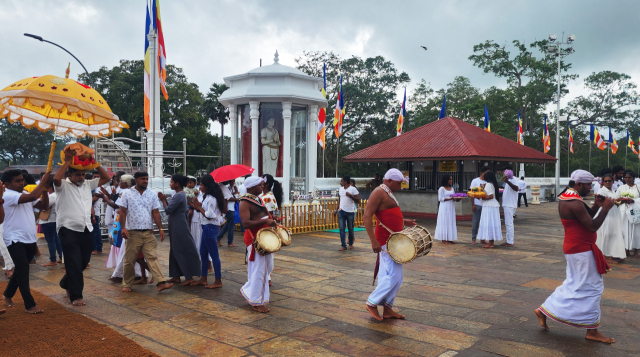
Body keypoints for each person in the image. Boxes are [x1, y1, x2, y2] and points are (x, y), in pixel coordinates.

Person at [535, 169, 616, 344]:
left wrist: (595, 206)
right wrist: (606, 209)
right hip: (580, 249)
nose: (591, 188)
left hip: (577, 247)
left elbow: (586, 218)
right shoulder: (574, 201)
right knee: (593, 287)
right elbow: (592, 226)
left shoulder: (568, 195)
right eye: (588, 185)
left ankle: (544, 310)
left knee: (575, 283)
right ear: (579, 184)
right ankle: (592, 331)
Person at [53, 147, 111, 306]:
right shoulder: (63, 185)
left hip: (87, 228)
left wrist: (93, 163)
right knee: (73, 262)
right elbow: (56, 179)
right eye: (77, 174)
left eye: (82, 174)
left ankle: (66, 282)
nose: (80, 177)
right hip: (67, 229)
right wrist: (67, 162)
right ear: (69, 175)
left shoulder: (87, 184)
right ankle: (76, 296)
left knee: (83, 262)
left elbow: (106, 177)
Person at [363, 169, 416, 321]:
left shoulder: (387, 191)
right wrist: (373, 241)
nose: (400, 187)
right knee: (392, 276)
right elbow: (367, 216)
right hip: (385, 241)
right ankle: (372, 303)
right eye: (398, 184)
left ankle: (387, 309)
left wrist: (404, 222)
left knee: (397, 277)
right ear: (389, 181)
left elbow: (388, 214)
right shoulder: (379, 192)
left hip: (394, 241)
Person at [1, 170, 49, 314]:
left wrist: (45, 189)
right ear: (8, 184)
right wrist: (42, 182)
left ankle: (8, 294)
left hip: (29, 238)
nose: (22, 183)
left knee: (21, 269)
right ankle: (29, 304)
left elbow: (43, 206)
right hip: (14, 238)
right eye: (18, 181)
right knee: (23, 270)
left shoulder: (24, 195)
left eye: (22, 180)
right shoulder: (8, 195)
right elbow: (34, 195)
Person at [118, 171, 173, 293]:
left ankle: (160, 282)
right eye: (143, 179)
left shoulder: (152, 194)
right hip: (132, 232)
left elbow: (156, 212)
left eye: (147, 179)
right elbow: (122, 212)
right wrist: (123, 228)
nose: (145, 181)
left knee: (152, 257)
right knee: (130, 259)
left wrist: (161, 228)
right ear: (136, 180)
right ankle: (126, 284)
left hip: (148, 231)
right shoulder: (127, 193)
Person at [239, 176, 277, 313]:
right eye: (260, 185)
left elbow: (260, 216)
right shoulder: (244, 202)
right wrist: (265, 222)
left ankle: (251, 292)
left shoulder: (257, 199)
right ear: (252, 187)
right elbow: (245, 223)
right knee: (259, 270)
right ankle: (256, 301)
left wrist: (270, 219)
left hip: (264, 238)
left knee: (267, 268)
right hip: (255, 239)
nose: (263, 187)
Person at [158, 175, 202, 286]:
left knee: (180, 248)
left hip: (178, 223)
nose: (170, 184)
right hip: (176, 222)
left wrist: (163, 200)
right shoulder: (180, 195)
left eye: (171, 182)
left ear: (177, 184)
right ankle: (176, 275)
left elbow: (168, 210)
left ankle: (189, 276)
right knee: (174, 248)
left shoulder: (179, 195)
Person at [190, 175, 225, 288]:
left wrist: (199, 208)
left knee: (214, 254)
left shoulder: (211, 198)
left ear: (207, 186)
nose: (200, 187)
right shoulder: (208, 197)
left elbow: (210, 215)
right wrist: (199, 206)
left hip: (210, 227)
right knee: (203, 253)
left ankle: (218, 280)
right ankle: (203, 278)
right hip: (206, 227)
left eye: (201, 185)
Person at [595, 174, 626, 263]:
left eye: (609, 181)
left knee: (614, 234)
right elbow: (604, 202)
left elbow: (615, 201)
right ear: (603, 182)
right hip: (606, 215)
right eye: (606, 181)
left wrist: (621, 201)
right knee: (607, 234)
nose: (608, 182)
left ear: (613, 181)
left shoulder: (612, 190)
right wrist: (617, 200)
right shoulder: (601, 191)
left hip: (614, 214)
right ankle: (606, 256)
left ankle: (614, 253)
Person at [616, 171, 640, 257]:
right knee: (624, 230)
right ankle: (626, 249)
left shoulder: (638, 187)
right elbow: (616, 199)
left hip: (635, 211)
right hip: (624, 211)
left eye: (629, 177)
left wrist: (633, 201)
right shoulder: (621, 188)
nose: (627, 179)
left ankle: (636, 250)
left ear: (633, 178)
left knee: (636, 230)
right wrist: (622, 200)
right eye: (625, 177)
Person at [39, 180, 63, 267]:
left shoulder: (52, 196)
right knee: (56, 239)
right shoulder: (59, 195)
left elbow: (44, 205)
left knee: (50, 241)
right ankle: (60, 257)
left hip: (48, 220)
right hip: (55, 220)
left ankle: (53, 259)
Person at [477, 171, 503, 248]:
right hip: (492, 205)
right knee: (491, 223)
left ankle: (490, 243)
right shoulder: (492, 184)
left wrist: (483, 197)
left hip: (489, 206)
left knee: (489, 223)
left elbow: (491, 196)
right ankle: (491, 242)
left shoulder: (488, 184)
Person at [335, 175, 360, 251]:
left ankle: (351, 243)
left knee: (350, 228)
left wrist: (351, 196)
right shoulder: (341, 189)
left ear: (346, 181)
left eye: (342, 181)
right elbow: (340, 199)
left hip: (350, 212)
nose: (341, 182)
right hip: (341, 211)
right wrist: (336, 209)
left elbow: (358, 200)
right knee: (342, 228)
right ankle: (343, 245)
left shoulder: (353, 189)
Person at [435, 175, 460, 244]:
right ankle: (444, 239)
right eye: (450, 179)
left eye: (451, 179)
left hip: (451, 207)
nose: (451, 181)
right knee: (444, 221)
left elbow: (454, 198)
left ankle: (449, 238)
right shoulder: (441, 189)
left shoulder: (452, 189)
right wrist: (450, 198)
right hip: (444, 207)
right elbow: (440, 199)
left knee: (450, 221)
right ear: (446, 180)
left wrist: (458, 199)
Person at [217, 180, 239, 247]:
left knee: (228, 224)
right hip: (229, 208)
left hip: (230, 208)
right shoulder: (223, 187)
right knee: (231, 226)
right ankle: (230, 242)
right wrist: (238, 199)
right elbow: (228, 198)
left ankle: (218, 238)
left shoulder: (223, 187)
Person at [501, 166, 519, 247]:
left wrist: (507, 182)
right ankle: (509, 240)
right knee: (508, 223)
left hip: (510, 204)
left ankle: (510, 241)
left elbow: (516, 188)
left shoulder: (513, 179)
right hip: (507, 204)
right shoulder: (508, 181)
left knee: (509, 223)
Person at [470, 167, 489, 244]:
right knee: (475, 222)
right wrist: (473, 204)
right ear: (482, 173)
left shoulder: (488, 182)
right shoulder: (475, 181)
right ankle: (473, 238)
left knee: (484, 223)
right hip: (477, 204)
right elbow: (472, 194)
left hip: (485, 204)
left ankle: (482, 238)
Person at [91, 171, 104, 255]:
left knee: (96, 231)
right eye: (94, 176)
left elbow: (94, 199)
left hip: (94, 213)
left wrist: (86, 201)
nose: (96, 178)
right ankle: (94, 247)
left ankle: (98, 248)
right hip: (90, 211)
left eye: (98, 177)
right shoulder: (92, 187)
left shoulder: (99, 189)